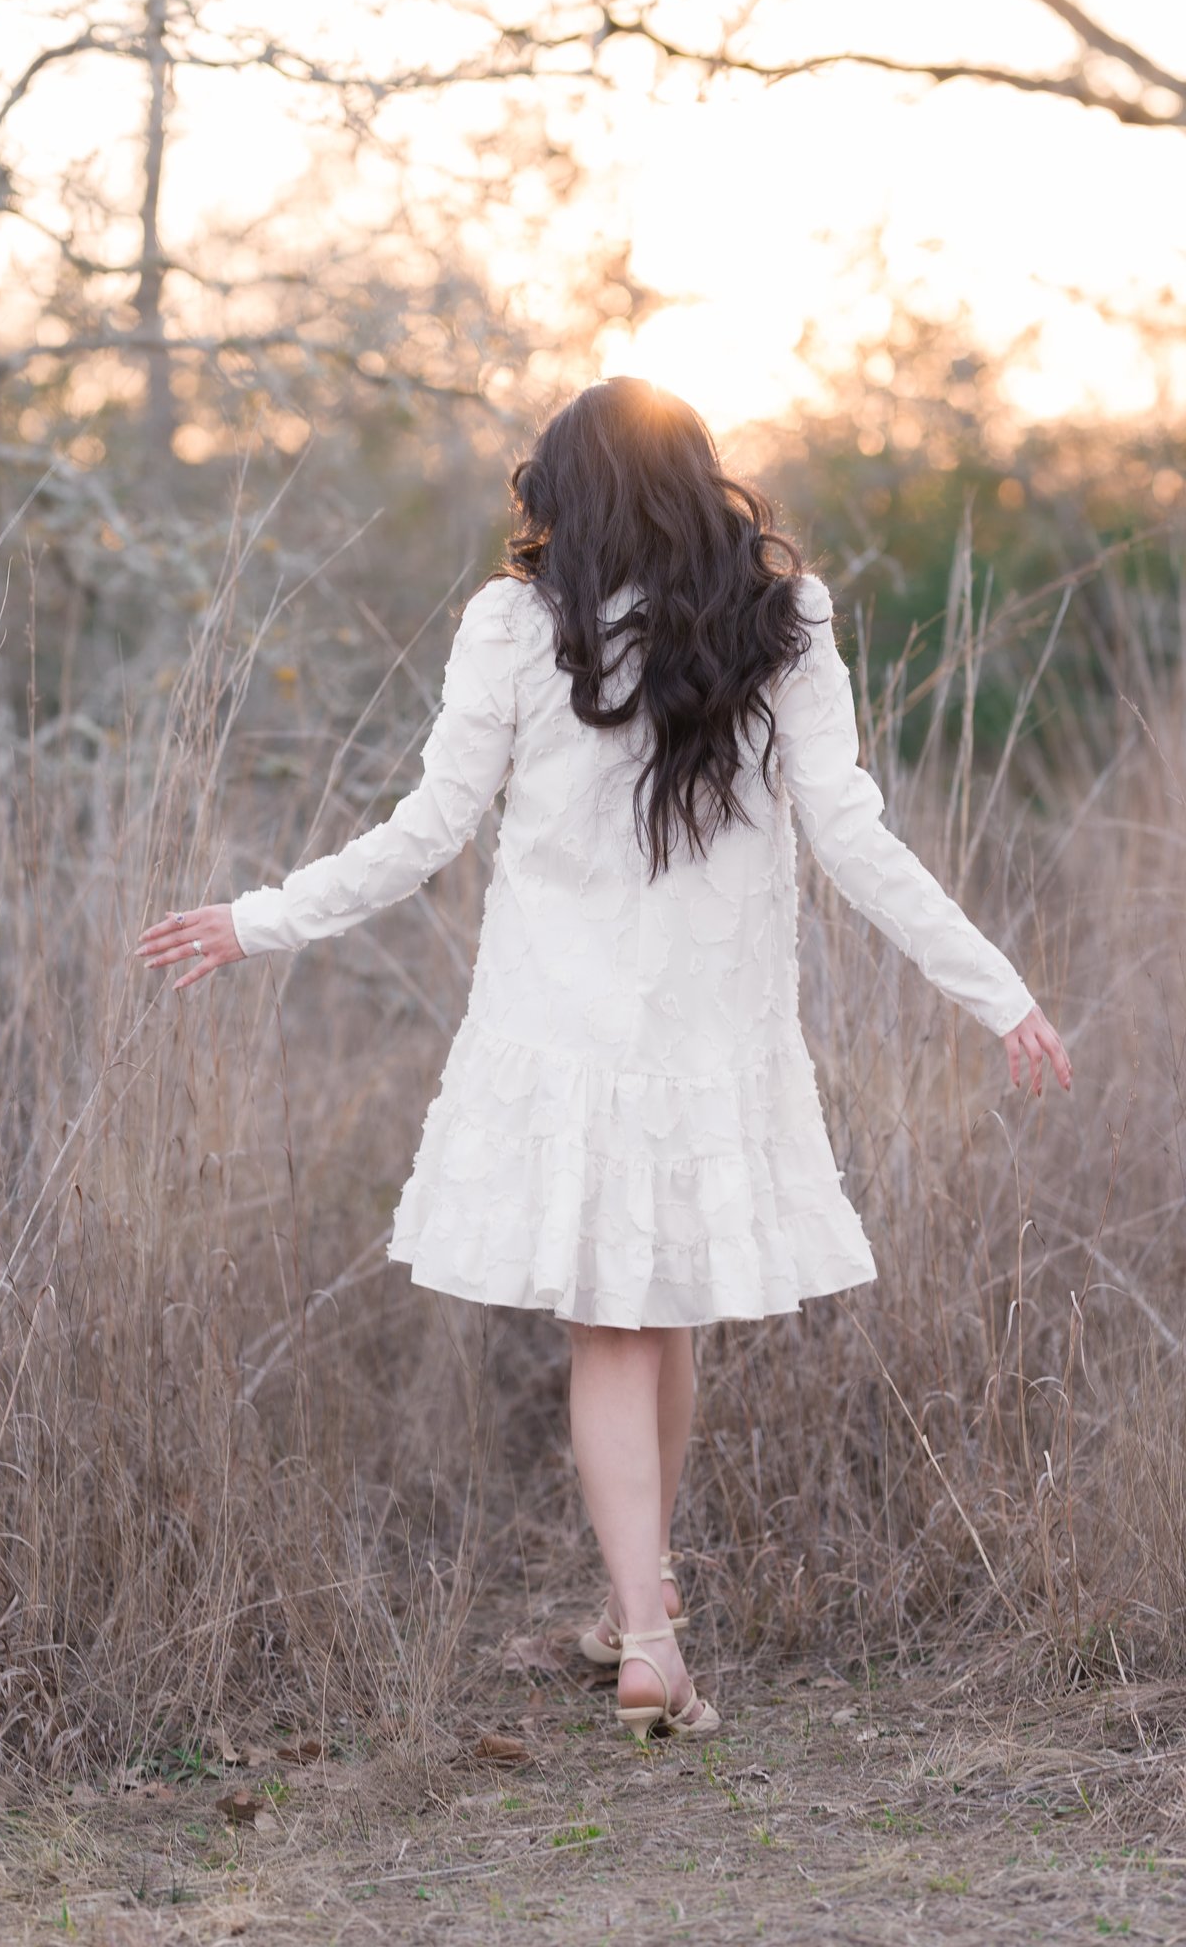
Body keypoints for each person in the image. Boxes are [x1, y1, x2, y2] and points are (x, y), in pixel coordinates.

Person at [138, 377, 1071, 1746]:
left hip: (571, 1036)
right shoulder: (778, 619)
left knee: (635, 1319)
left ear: (564, 494)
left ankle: (642, 1629)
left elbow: (426, 832)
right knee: (647, 1318)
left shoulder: (523, 623)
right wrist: (998, 993)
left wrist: (256, 918)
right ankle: (646, 1618)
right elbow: (855, 835)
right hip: (704, 1039)